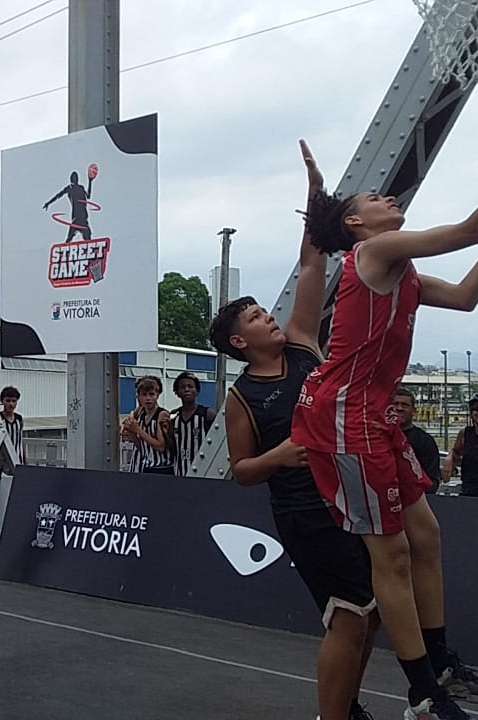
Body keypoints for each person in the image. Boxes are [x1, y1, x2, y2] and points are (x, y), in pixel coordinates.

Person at [292, 119, 478, 718]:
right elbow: (464, 229)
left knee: (427, 536)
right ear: (356, 225)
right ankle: (424, 692)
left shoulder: (404, 272)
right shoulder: (374, 253)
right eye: (374, 198)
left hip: (374, 418)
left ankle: (441, 659)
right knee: (391, 556)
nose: (388, 198)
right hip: (343, 419)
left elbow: (470, 294)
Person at [213, 139, 378, 720]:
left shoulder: (304, 345)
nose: (271, 317)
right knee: (350, 612)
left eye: (267, 310)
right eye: (258, 317)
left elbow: (313, 263)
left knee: (372, 612)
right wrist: (282, 454)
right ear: (240, 342)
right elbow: (239, 473)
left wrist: (314, 192)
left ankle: (348, 705)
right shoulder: (241, 398)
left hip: (348, 498)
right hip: (305, 512)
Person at [120, 376, 174, 475]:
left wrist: (138, 430)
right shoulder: (141, 413)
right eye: (144, 395)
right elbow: (143, 447)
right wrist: (132, 434)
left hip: (161, 467)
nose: (148, 398)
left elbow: (161, 446)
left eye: (151, 394)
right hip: (147, 465)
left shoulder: (161, 414)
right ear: (139, 397)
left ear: (157, 395)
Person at [393, 388, 442, 493]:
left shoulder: (425, 441)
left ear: (414, 411)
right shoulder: (377, 438)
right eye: (395, 404)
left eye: (405, 405)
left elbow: (432, 479)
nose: (399, 408)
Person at [171, 371, 216, 476]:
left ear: (197, 391)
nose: (187, 389)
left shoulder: (207, 414)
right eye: (183, 387)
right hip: (179, 471)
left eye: (190, 386)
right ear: (177, 392)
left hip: (203, 471)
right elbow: (171, 445)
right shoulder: (173, 416)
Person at [43, 170, 95, 242]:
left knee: (87, 238)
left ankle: (89, 250)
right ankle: (63, 250)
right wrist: (48, 203)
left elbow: (88, 196)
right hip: (76, 217)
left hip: (83, 217)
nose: (75, 179)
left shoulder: (81, 188)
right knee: (69, 238)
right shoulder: (69, 188)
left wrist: (90, 181)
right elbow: (58, 195)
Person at [0, 386, 27, 466]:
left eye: (14, 401)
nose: (11, 404)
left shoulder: (19, 418)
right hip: (4, 461)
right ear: (2, 401)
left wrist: (25, 461)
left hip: (19, 460)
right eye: (8, 401)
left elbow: (20, 440)